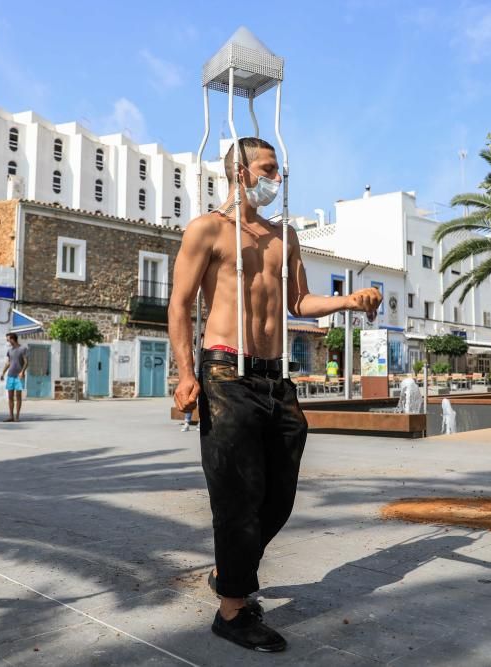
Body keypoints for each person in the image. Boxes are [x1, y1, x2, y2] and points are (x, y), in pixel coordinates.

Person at [168, 137, 381, 652]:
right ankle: (233, 611)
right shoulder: (208, 230)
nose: (276, 179)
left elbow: (299, 301)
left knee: (279, 496)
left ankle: (229, 571)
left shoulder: (286, 237)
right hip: (225, 373)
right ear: (239, 173)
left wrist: (349, 300)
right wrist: (184, 373)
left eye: (278, 170)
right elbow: (178, 305)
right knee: (237, 496)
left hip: (274, 377)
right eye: (267, 169)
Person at [0, 333, 28, 422]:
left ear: (12, 339)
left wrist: (22, 372)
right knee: (10, 397)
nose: (7, 341)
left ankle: (17, 417)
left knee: (18, 396)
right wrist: (3, 373)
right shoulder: (9, 350)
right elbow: (8, 363)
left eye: (8, 339)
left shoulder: (23, 349)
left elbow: (26, 362)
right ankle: (11, 416)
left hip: (19, 376)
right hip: (10, 375)